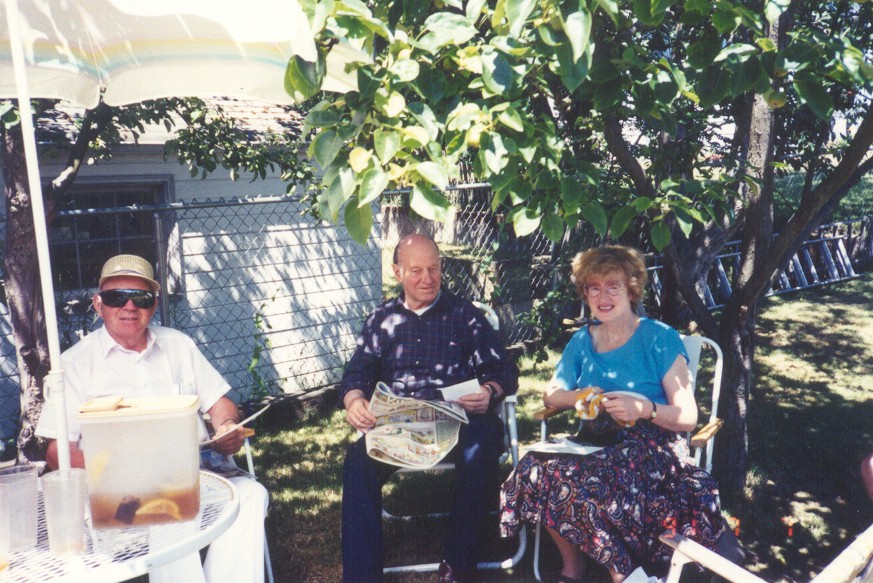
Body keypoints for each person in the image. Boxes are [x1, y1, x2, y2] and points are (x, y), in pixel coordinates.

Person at [36, 254, 269, 583]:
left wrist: (227, 426)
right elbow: (57, 451)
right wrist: (119, 474)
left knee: (250, 495)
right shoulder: (74, 364)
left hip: (199, 474)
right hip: (121, 490)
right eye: (117, 297)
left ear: (155, 304)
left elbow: (221, 403)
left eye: (141, 298)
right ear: (98, 305)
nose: (129, 306)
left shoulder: (179, 345)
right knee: (168, 509)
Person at [500, 245, 723, 583]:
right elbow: (551, 394)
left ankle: (622, 573)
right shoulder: (583, 339)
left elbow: (688, 417)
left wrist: (644, 409)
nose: (602, 297)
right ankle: (573, 568)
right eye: (594, 288)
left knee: (585, 482)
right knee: (534, 468)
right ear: (585, 293)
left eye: (612, 286)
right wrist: (579, 396)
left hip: (652, 447)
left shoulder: (658, 338)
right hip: (595, 441)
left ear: (631, 290)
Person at [340, 234, 519, 583]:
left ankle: (458, 565)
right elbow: (356, 373)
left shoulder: (464, 315)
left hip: (458, 420)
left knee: (484, 439)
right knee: (358, 460)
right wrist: (354, 400)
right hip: (402, 426)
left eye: (434, 269)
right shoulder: (381, 320)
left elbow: (502, 369)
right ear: (397, 272)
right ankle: (361, 576)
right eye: (416, 271)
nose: (427, 278)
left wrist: (489, 391)